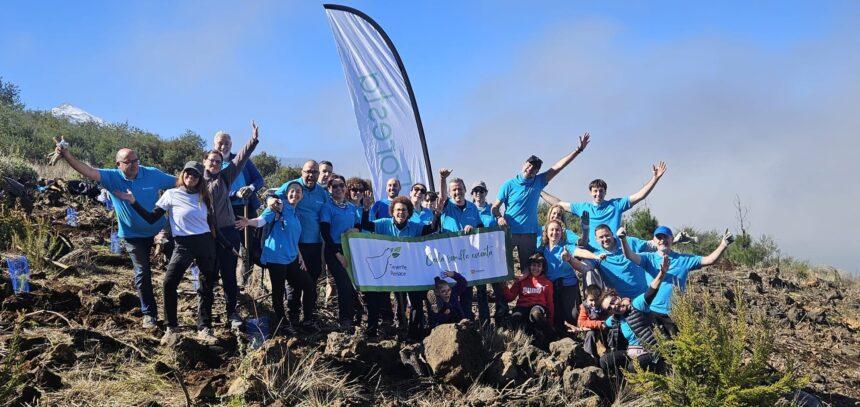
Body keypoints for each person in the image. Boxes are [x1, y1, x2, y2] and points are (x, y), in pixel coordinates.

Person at [54, 137, 175, 329]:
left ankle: (172, 316)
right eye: (129, 162)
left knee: (173, 272)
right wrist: (67, 155)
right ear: (118, 164)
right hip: (132, 235)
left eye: (136, 160)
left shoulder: (152, 174)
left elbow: (181, 182)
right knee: (143, 273)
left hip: (160, 230)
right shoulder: (112, 177)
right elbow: (86, 170)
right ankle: (149, 315)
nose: (135, 165)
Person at [114, 162, 219, 342]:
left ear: (200, 178)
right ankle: (171, 327)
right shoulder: (171, 194)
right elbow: (151, 217)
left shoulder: (204, 195)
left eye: (195, 175)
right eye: (188, 173)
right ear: (183, 173)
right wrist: (133, 202)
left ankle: (205, 328)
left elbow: (211, 223)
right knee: (169, 283)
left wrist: (223, 244)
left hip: (205, 243)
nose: (191, 177)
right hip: (183, 244)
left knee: (206, 287)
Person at [492, 133, 590, 286]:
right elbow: (495, 207)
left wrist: (578, 150)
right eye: (529, 165)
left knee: (529, 269)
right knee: (501, 267)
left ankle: (529, 301)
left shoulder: (538, 181)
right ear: (524, 164)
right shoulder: (508, 185)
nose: (530, 169)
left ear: (537, 172)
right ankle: (502, 305)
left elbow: (558, 167)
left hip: (529, 235)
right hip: (510, 232)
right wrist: (499, 217)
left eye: (534, 168)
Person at [620, 225, 733, 336]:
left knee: (676, 349)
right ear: (654, 240)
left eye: (666, 237)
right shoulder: (648, 258)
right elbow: (629, 255)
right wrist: (623, 239)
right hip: (651, 312)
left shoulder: (683, 259)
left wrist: (723, 244)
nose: (662, 240)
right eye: (659, 237)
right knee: (655, 348)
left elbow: (710, 260)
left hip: (675, 314)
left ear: (672, 239)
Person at [203, 121, 260, 330]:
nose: (215, 163)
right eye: (212, 160)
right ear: (206, 160)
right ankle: (205, 319)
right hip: (206, 232)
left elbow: (241, 161)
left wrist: (253, 141)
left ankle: (232, 312)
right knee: (208, 275)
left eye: (218, 161)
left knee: (228, 273)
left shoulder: (226, 176)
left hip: (229, 228)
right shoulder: (196, 180)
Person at [235, 184, 311, 336]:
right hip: (275, 257)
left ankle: (303, 319)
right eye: (292, 191)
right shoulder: (278, 206)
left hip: (291, 257)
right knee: (278, 291)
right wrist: (248, 222)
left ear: (302, 196)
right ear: (286, 193)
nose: (295, 194)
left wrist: (300, 257)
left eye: (298, 192)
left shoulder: (295, 213)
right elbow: (262, 220)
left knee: (307, 285)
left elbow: (293, 238)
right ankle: (283, 324)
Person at [360, 196, 439, 339]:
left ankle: (413, 334)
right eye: (397, 210)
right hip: (387, 270)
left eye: (404, 210)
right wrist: (365, 209)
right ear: (392, 212)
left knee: (415, 301)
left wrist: (436, 214)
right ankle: (372, 331)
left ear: (409, 212)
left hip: (409, 271)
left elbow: (432, 228)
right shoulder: (384, 223)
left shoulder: (414, 226)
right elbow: (365, 225)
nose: (400, 213)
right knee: (375, 298)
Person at [540, 161, 667, 250]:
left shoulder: (616, 205)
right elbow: (559, 203)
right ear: (590, 192)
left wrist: (655, 179)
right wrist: (538, 191)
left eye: (601, 191)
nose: (598, 194)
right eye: (595, 191)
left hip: (614, 250)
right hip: (592, 252)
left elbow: (640, 196)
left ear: (605, 192)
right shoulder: (584, 208)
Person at [275, 160, 330, 331]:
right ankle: (293, 318)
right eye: (308, 171)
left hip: (314, 244)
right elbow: (274, 197)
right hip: (294, 244)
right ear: (302, 171)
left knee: (311, 283)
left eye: (314, 172)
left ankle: (308, 318)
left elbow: (325, 217)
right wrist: (271, 202)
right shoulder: (293, 186)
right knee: (293, 283)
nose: (311, 175)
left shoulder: (322, 193)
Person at [599, 255, 670, 382]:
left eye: (613, 301)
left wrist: (662, 273)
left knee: (633, 367)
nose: (614, 306)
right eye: (610, 307)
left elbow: (651, 290)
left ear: (617, 296)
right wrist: (580, 327)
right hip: (632, 353)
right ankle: (621, 385)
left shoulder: (637, 305)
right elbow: (602, 324)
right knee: (605, 360)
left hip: (652, 350)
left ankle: (655, 380)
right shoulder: (615, 319)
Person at [213, 130, 265, 288]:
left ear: (231, 145)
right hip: (224, 211)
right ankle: (217, 280)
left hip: (246, 209)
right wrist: (235, 193)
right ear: (214, 144)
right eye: (220, 143)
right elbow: (213, 189)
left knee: (247, 245)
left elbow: (259, 179)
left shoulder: (243, 160)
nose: (223, 146)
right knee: (223, 244)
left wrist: (251, 187)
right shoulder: (213, 163)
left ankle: (244, 282)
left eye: (227, 143)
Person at [437, 169, 484, 322]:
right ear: (450, 193)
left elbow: (481, 230)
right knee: (448, 297)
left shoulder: (472, 208)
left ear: (465, 190)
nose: (457, 192)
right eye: (454, 190)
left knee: (466, 295)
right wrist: (443, 178)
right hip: (449, 257)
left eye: (460, 188)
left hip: (467, 259)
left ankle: (467, 326)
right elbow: (442, 197)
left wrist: (473, 229)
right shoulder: (446, 205)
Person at [320, 174, 362, 331]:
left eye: (341, 185)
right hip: (334, 251)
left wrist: (356, 229)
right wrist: (338, 254)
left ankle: (357, 311)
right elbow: (325, 233)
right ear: (330, 189)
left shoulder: (352, 208)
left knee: (352, 284)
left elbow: (360, 226)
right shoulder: (327, 207)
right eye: (334, 186)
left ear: (346, 188)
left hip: (351, 250)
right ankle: (345, 320)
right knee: (343, 284)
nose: (338, 189)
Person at [539, 220, 592, 332]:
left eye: (557, 230)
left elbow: (580, 253)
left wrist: (594, 256)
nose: (555, 232)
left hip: (569, 285)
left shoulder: (566, 247)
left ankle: (578, 332)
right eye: (552, 230)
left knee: (573, 315)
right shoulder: (542, 250)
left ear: (561, 232)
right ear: (547, 232)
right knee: (556, 316)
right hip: (552, 287)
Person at [502, 253, 555, 342]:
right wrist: (503, 285)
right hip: (522, 307)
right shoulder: (521, 280)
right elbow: (510, 297)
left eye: (539, 266)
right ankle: (515, 338)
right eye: (533, 265)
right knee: (515, 317)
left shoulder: (547, 283)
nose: (536, 268)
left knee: (536, 314)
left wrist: (550, 323)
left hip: (537, 307)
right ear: (529, 266)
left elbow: (550, 303)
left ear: (543, 268)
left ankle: (552, 337)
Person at [566, 284, 608, 363]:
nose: (594, 303)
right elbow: (581, 322)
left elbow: (608, 318)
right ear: (586, 298)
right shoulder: (584, 307)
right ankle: (589, 356)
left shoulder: (604, 305)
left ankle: (610, 351)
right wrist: (598, 324)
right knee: (590, 334)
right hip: (592, 329)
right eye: (591, 300)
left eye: (596, 299)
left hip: (604, 328)